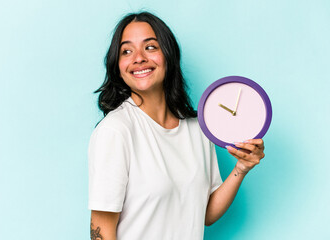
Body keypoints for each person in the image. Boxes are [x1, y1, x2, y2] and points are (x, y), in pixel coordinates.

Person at [88, 11, 265, 240]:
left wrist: (241, 168)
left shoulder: (198, 129)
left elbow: (205, 214)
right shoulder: (115, 132)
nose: (138, 57)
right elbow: (101, 230)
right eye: (126, 51)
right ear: (118, 66)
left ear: (169, 55)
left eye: (150, 47)